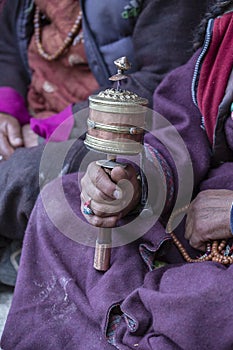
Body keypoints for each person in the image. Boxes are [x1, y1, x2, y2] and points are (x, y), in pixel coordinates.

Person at [1, 0, 233, 349]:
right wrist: (136, 179)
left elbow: (152, 79)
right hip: (191, 210)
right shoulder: (226, 32)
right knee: (62, 204)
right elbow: (182, 121)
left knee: (207, 303)